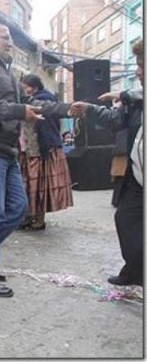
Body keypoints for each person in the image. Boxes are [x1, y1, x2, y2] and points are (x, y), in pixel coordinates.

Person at [0, 17, 70, 297]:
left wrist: (68, 109)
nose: (10, 42)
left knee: (19, 209)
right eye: (5, 37)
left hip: (5, 149)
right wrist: (19, 112)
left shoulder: (4, 70)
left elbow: (31, 103)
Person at [70, 39, 143, 286]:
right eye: (138, 66)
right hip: (136, 178)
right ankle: (134, 271)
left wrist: (123, 93)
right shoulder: (135, 104)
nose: (139, 72)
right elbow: (114, 120)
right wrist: (89, 109)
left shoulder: (135, 97)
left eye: (143, 66)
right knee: (126, 220)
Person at [19, 74, 73, 231]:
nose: (24, 89)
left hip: (42, 150)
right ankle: (29, 216)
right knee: (30, 186)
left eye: (27, 87)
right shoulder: (27, 100)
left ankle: (39, 220)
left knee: (41, 186)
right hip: (29, 150)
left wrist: (45, 148)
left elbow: (47, 127)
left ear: (34, 88)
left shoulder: (43, 101)